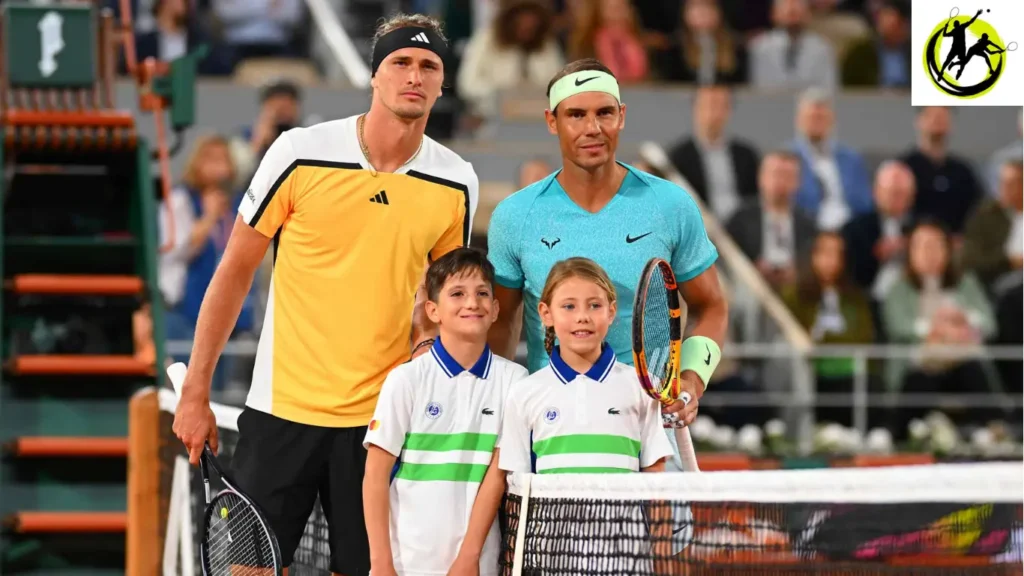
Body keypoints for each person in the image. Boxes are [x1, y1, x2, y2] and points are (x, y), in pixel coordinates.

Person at [171, 13, 480, 576]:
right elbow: (234, 270)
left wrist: (423, 362)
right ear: (374, 75)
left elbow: (441, 303)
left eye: (428, 65)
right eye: (401, 63)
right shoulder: (298, 152)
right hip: (280, 409)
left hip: (377, 427)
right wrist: (196, 389)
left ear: (443, 83)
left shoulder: (456, 180)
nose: (414, 75)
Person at [486, 58, 728, 435]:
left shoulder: (671, 205)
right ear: (552, 121)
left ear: (622, 116)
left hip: (650, 426)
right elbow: (501, 322)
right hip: (550, 428)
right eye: (576, 115)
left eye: (604, 113)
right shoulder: (515, 216)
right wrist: (498, 410)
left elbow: (712, 304)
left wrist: (692, 381)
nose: (593, 128)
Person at [497, 257, 679, 574]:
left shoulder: (639, 388)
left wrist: (662, 559)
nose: (582, 317)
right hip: (551, 562)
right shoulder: (525, 392)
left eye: (594, 306)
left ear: (611, 312)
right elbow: (516, 494)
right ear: (545, 314)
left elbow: (656, 485)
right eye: (569, 306)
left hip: (627, 563)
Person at [363, 247, 527, 576]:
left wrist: (469, 557)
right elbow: (375, 478)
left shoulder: (514, 380)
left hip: (475, 564)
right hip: (405, 561)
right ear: (433, 310)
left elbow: (495, 479)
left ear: (495, 309)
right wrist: (381, 563)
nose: (472, 302)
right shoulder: (405, 380)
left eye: (482, 293)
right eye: (457, 293)